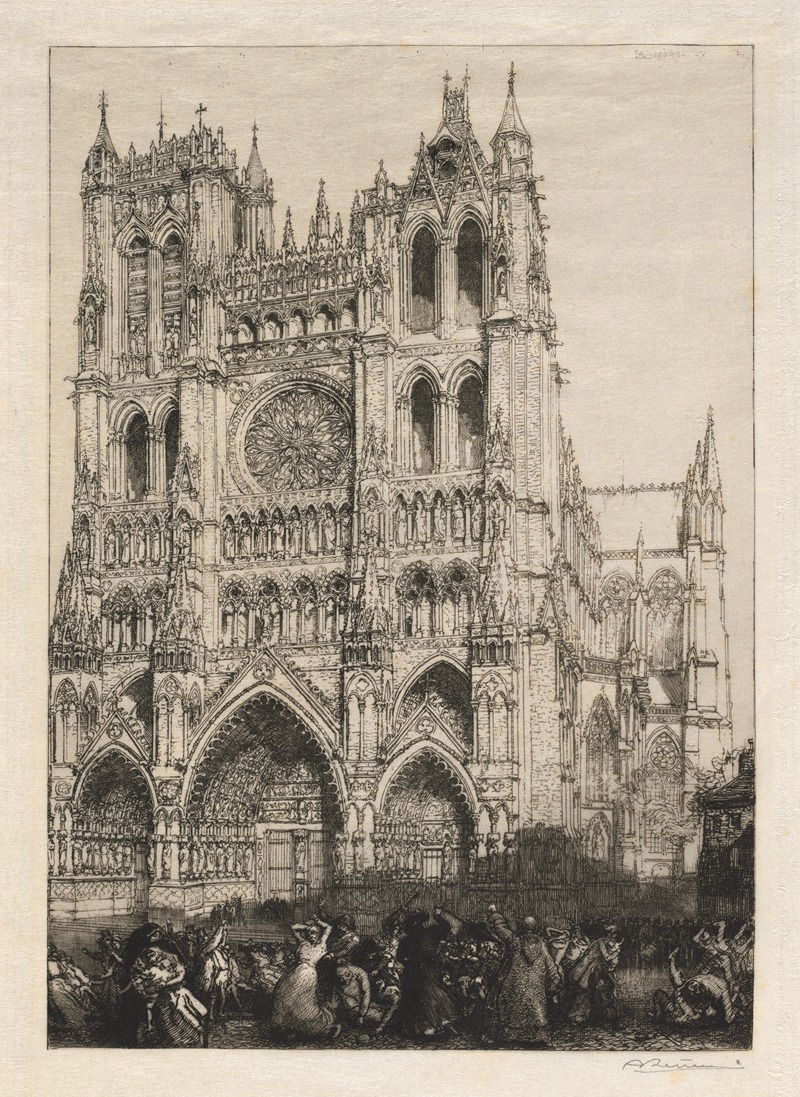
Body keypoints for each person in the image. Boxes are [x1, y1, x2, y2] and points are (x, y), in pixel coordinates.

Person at [483, 907, 562, 1047]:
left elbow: (501, 930)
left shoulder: (515, 941)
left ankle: (502, 1036)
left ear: (522, 927)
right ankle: (538, 1037)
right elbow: (551, 967)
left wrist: (495, 913)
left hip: (515, 986)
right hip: (535, 989)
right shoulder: (542, 945)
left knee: (498, 999)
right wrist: (554, 984)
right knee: (536, 1008)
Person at [270, 919, 339, 1040]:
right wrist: (306, 927)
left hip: (308, 975)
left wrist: (317, 921)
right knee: (283, 998)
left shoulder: (321, 944)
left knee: (303, 1003)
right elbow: (293, 927)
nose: (311, 935)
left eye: (314, 933)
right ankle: (288, 1027)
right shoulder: (302, 942)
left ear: (319, 934)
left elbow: (328, 928)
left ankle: (324, 1026)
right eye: (309, 933)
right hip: (293, 973)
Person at [395, 909, 460, 1038]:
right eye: (414, 923)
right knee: (419, 998)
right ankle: (425, 1027)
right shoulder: (412, 938)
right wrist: (438, 915)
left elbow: (445, 927)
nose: (415, 925)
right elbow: (400, 957)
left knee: (429, 995)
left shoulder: (428, 933)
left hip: (427, 969)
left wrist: (438, 915)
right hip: (417, 971)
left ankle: (436, 1025)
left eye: (417, 922)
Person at [130, 945, 208, 1047]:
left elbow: (180, 976)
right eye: (149, 957)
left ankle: (199, 1035)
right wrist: (138, 984)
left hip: (178, 994)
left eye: (153, 955)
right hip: (164, 999)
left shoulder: (173, 964)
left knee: (187, 1014)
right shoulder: (152, 969)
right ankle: (181, 1039)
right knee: (172, 1019)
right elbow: (140, 979)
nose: (152, 959)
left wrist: (167, 984)